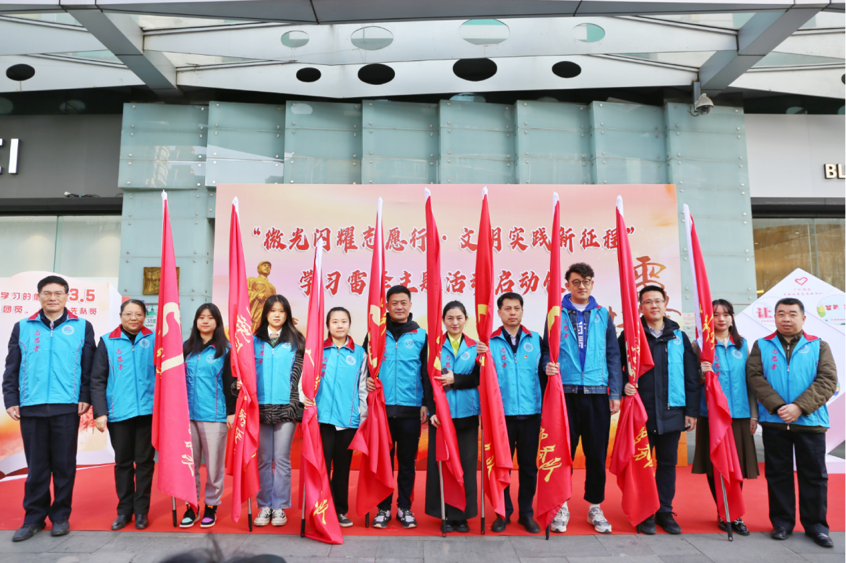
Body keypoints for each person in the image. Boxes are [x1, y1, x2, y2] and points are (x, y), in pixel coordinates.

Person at [2, 275, 96, 542]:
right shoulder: (23, 327)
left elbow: (88, 367)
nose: (52, 297)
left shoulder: (82, 326)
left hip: (66, 406)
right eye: (47, 293)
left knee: (64, 466)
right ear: (39, 296)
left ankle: (61, 516)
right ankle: (33, 518)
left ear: (67, 296)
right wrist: (11, 398)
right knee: (37, 467)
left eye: (58, 293)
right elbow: (12, 366)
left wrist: (85, 396)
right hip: (31, 407)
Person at [747, 297, 837, 548]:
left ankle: (816, 526)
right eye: (781, 313)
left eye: (792, 314)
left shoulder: (819, 345)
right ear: (775, 317)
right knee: (778, 475)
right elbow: (755, 377)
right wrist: (778, 406)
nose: (786, 319)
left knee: (814, 476)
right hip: (775, 423)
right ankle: (782, 523)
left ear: (803, 318)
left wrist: (799, 407)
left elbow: (828, 380)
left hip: (810, 422)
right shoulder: (762, 345)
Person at [542, 262, 621, 534]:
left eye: (586, 281)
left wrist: (615, 392)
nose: (582, 286)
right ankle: (561, 504)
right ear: (567, 285)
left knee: (596, 454)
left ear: (592, 284)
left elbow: (613, 355)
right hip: (565, 394)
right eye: (576, 281)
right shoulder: (555, 314)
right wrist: (546, 365)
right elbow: (546, 350)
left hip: (597, 394)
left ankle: (595, 507)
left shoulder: (602, 315)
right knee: (563, 454)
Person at [619, 285, 699, 535]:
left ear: (666, 303)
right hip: (641, 414)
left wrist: (691, 411)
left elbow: (690, 377)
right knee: (641, 465)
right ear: (640, 307)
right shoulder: (631, 336)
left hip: (672, 411)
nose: (653, 305)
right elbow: (614, 367)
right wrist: (622, 387)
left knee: (667, 464)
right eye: (648, 302)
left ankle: (664, 510)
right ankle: (645, 511)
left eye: (658, 301)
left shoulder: (679, 337)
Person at [690, 299, 758, 536]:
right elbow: (693, 381)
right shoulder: (700, 346)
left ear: (732, 318)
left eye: (726, 314)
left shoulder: (743, 345)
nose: (721, 319)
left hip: (739, 415)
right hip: (712, 415)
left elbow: (751, 382)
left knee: (736, 466)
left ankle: (735, 514)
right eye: (715, 315)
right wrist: (701, 373)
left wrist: (754, 414)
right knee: (716, 466)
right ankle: (723, 512)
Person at [364, 285, 428, 529]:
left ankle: (404, 507)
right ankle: (383, 508)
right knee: (384, 462)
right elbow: (364, 369)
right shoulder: (375, 335)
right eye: (394, 303)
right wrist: (366, 381)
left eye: (403, 302)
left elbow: (427, 374)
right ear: (387, 306)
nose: (399, 307)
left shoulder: (421, 336)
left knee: (407, 462)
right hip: (382, 410)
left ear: (410, 305)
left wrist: (426, 404)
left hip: (411, 410)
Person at [90, 299, 156, 531]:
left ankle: (142, 511)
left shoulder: (155, 340)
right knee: (123, 463)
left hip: (148, 411)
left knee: (145, 463)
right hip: (119, 412)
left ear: (145, 316)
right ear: (121, 316)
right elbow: (97, 379)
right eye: (128, 314)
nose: (133, 318)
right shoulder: (108, 341)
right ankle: (124, 511)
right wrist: (100, 412)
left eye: (138, 314)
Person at [299, 307, 368, 528]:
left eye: (344, 321)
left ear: (349, 324)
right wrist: (303, 398)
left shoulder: (360, 353)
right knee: (321, 466)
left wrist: (362, 415)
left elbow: (363, 388)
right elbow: (304, 379)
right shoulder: (317, 351)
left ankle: (339, 510)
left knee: (342, 468)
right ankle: (321, 509)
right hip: (321, 420)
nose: (339, 325)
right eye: (335, 321)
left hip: (348, 421)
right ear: (328, 325)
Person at [423, 301, 487, 533]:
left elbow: (479, 378)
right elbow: (426, 380)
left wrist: (455, 379)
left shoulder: (476, 347)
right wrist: (431, 410)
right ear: (443, 320)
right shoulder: (434, 346)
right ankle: (444, 513)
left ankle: (462, 516)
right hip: (441, 416)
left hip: (467, 414)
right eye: (450, 318)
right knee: (441, 466)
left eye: (459, 317)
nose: (455, 322)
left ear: (466, 320)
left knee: (467, 466)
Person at [488, 292, 545, 534]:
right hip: (501, 417)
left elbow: (544, 374)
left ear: (522, 311)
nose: (512, 312)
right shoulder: (489, 343)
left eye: (516, 308)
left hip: (532, 414)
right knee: (502, 467)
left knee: (529, 467)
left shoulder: (537, 340)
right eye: (507, 308)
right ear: (499, 312)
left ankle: (526, 513)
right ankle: (503, 513)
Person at [179, 303, 237, 529]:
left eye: (210, 317)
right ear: (196, 321)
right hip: (187, 416)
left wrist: (231, 412)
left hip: (214, 415)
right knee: (189, 465)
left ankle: (211, 505)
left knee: (213, 466)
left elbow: (230, 382)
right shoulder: (186, 348)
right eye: (201, 317)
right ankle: (191, 506)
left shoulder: (226, 350)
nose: (205, 321)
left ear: (217, 322)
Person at [249, 295, 304, 527]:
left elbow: (301, 376)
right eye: (273, 310)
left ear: (287, 314)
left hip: (286, 408)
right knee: (263, 459)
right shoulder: (252, 341)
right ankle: (265, 505)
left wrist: (296, 405)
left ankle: (279, 506)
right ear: (266, 314)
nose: (277, 315)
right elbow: (243, 374)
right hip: (259, 408)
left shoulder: (297, 341)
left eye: (281, 310)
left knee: (281, 459)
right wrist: (237, 387)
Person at [247, 261, 277, 333]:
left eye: (269, 267)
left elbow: (276, 304)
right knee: (250, 334)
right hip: (254, 313)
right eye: (264, 265)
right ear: (258, 269)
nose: (267, 267)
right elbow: (244, 293)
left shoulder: (272, 287)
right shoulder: (252, 280)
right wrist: (257, 295)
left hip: (266, 315)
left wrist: (286, 317)